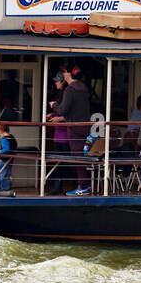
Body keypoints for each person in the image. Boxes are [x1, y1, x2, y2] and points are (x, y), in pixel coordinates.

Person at [47, 63, 91, 195]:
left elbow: (63, 110)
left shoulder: (70, 90)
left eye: (65, 72)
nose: (64, 74)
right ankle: (82, 185)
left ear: (69, 74)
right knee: (81, 157)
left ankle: (83, 187)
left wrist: (54, 104)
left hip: (74, 128)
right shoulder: (83, 87)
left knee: (78, 158)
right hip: (85, 127)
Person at [0, 122, 17, 191]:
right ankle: (6, 188)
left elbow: (5, 149)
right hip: (11, 157)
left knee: (1, 174)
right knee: (7, 173)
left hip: (4, 158)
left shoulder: (4, 139)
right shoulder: (11, 136)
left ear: (0, 130)